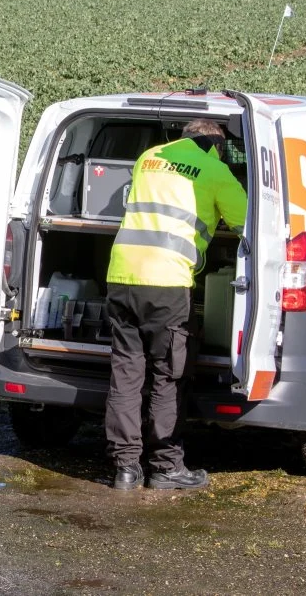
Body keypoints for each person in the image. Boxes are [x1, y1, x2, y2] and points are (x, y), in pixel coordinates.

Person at [104, 118, 248, 490]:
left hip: (120, 277)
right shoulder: (215, 169)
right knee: (168, 375)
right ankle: (166, 466)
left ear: (183, 137)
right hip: (167, 282)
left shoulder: (148, 157)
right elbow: (249, 223)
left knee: (126, 374)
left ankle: (125, 469)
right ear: (216, 146)